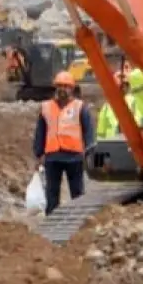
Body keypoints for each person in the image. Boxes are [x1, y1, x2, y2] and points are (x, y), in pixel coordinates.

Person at [33, 71, 96, 213]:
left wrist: (89, 152)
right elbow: (40, 132)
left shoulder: (80, 107)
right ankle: (51, 220)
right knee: (52, 193)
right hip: (53, 157)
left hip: (74, 157)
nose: (62, 89)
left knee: (77, 192)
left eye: (66, 86)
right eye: (59, 86)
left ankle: (78, 219)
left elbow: (89, 132)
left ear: (72, 88)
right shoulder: (46, 107)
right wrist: (39, 154)